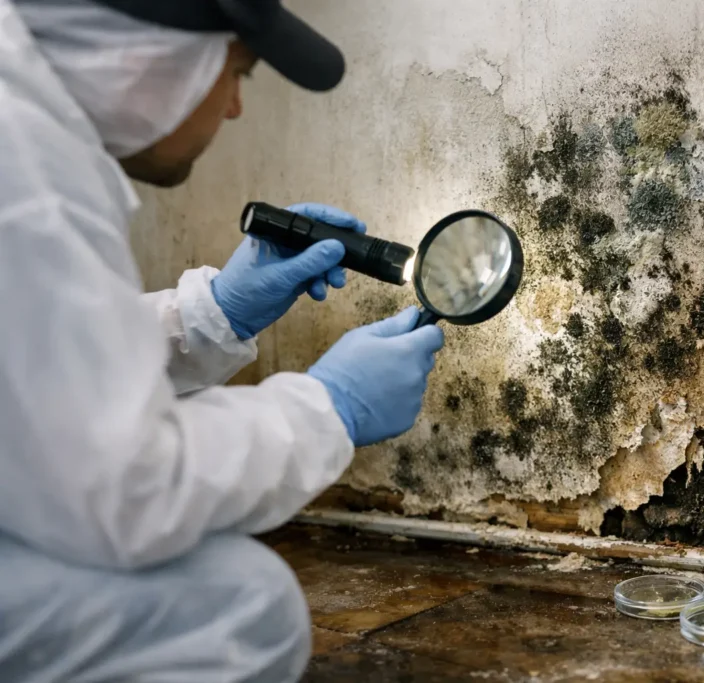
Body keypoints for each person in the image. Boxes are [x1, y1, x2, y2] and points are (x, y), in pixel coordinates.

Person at [0, 0, 445, 680]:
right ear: (149, 56)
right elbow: (129, 488)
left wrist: (211, 313)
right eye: (239, 71)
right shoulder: (28, 180)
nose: (235, 107)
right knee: (235, 605)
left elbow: (37, 372)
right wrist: (326, 408)